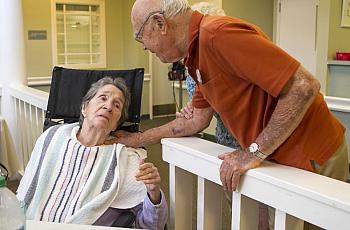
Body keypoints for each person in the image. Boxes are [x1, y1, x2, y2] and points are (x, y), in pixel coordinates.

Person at [115, 0, 348, 195]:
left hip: (311, 154)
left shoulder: (218, 35)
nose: (144, 47)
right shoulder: (194, 54)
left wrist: (252, 152)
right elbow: (195, 120)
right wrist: (138, 138)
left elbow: (304, 86)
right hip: (274, 155)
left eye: (140, 37)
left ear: (160, 23)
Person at [16, 77, 167, 229]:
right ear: (84, 108)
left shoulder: (125, 160)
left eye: (116, 105)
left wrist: (153, 193)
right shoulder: (52, 138)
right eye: (103, 98)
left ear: (116, 123)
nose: (108, 106)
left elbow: (151, 226)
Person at [177, 2, 241, 150]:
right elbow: (204, 104)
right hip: (229, 139)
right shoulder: (198, 67)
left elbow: (200, 118)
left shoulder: (216, 62)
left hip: (250, 143)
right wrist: (192, 107)